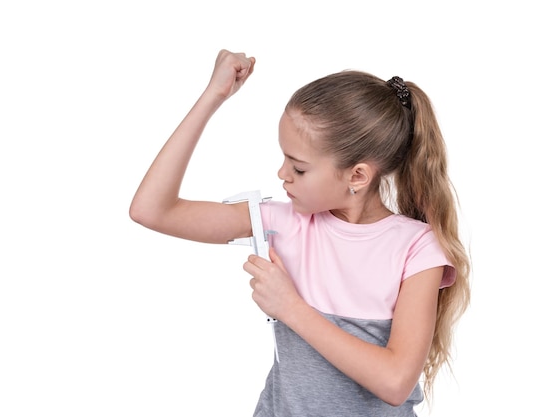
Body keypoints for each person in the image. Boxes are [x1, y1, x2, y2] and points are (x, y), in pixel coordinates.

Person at [130, 49, 470, 416]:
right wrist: (213, 96)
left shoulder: (416, 247)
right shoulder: (283, 222)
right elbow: (152, 210)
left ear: (357, 175)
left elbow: (395, 381)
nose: (282, 174)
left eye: (300, 168)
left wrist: (291, 308)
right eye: (284, 159)